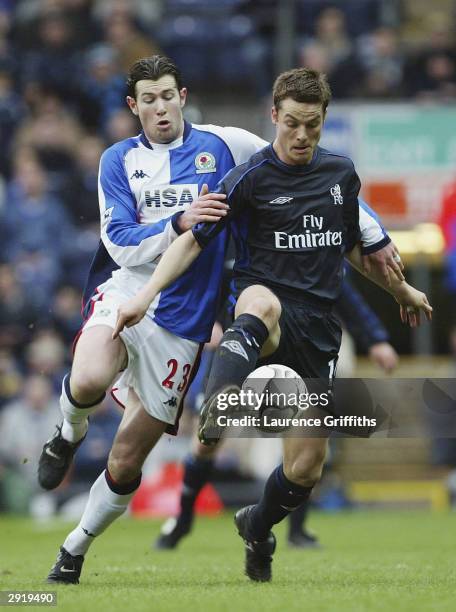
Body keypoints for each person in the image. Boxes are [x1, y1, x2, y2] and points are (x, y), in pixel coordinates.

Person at [39, 56, 402, 584]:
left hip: (185, 325)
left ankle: (74, 548)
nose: (159, 107)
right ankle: (67, 433)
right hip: (131, 292)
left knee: (125, 459)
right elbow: (118, 241)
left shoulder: (224, 144)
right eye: (148, 99)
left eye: (167, 96)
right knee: (91, 377)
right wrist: (177, 221)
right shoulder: (118, 160)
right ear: (132, 106)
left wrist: (375, 236)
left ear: (181, 96)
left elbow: (309, 176)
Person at [154, 272, 398, 551]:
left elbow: (340, 284)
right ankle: (183, 519)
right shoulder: (232, 232)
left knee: (301, 440)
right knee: (206, 441)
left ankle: (297, 529)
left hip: (295, 341)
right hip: (238, 343)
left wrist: (375, 338)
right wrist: (208, 323)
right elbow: (206, 276)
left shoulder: (308, 239)